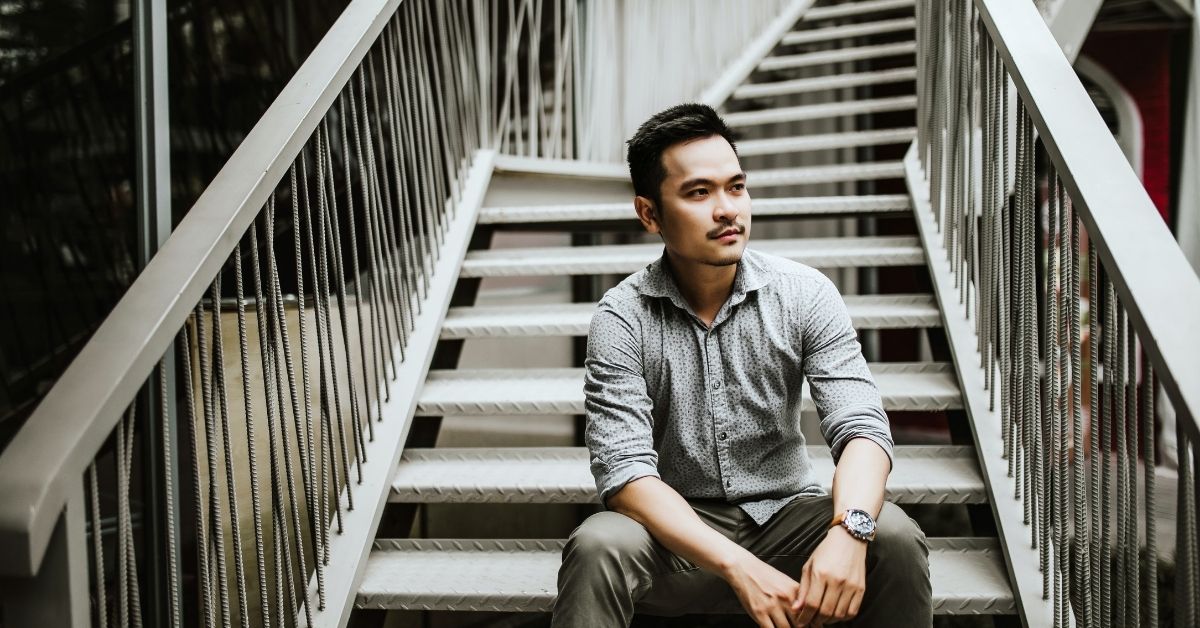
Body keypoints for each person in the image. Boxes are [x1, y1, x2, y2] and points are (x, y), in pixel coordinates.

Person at [550, 103, 932, 628]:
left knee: (894, 535)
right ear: (649, 214)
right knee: (597, 544)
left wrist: (850, 530)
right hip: (678, 534)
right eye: (699, 192)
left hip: (788, 518)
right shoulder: (622, 317)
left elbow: (862, 427)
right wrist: (737, 565)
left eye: (736, 186)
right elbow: (626, 475)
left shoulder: (804, 293)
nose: (728, 209)